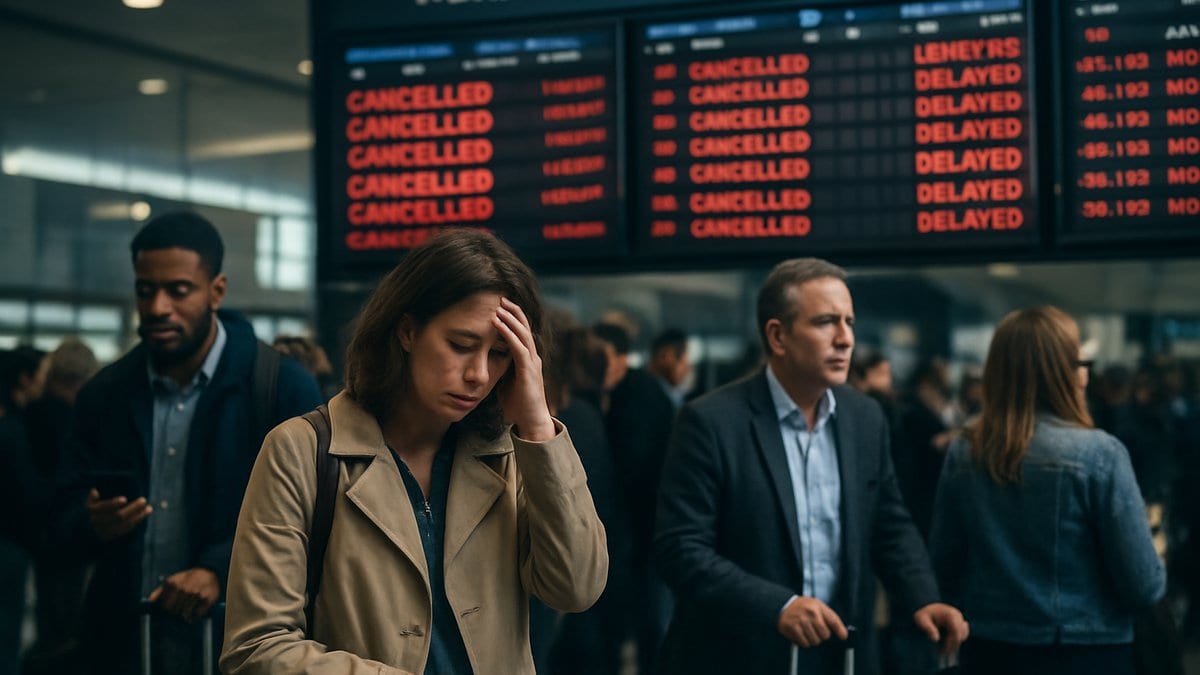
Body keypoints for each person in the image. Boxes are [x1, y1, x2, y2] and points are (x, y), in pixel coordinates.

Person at [220, 229, 608, 674]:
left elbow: (577, 588)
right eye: (461, 346)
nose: (479, 374)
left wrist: (538, 425)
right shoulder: (302, 449)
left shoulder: (513, 456)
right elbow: (257, 647)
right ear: (407, 331)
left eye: (501, 354)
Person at [655, 258, 967, 675]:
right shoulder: (711, 422)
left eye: (849, 322)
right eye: (825, 322)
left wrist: (923, 597)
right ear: (778, 336)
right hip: (743, 654)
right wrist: (778, 606)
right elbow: (680, 548)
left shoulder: (865, 417)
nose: (845, 339)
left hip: (843, 654)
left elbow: (889, 525)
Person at [51, 211, 323, 675]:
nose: (158, 307)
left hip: (237, 647)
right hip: (123, 647)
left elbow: (313, 522)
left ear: (216, 291)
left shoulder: (279, 387)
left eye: (178, 290)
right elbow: (55, 522)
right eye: (145, 290)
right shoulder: (104, 395)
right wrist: (91, 522)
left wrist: (220, 571)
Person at [929, 306, 1164, 675]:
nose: (1085, 375)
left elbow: (944, 564)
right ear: (1062, 374)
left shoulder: (965, 451)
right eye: (1080, 363)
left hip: (989, 650)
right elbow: (1143, 586)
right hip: (1085, 652)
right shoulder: (1100, 455)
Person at [605, 327, 690, 674]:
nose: (687, 369)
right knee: (654, 625)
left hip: (642, 530)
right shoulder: (646, 395)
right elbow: (638, 467)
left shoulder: (643, 392)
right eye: (684, 360)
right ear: (668, 356)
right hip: (647, 529)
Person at [23, 338, 100, 675]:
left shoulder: (27, 415)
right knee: (65, 634)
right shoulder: (79, 424)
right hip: (67, 539)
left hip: (33, 540)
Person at [0, 347, 49, 675]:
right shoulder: (12, 430)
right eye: (43, 374)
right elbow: (29, 494)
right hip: (9, 547)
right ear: (25, 379)